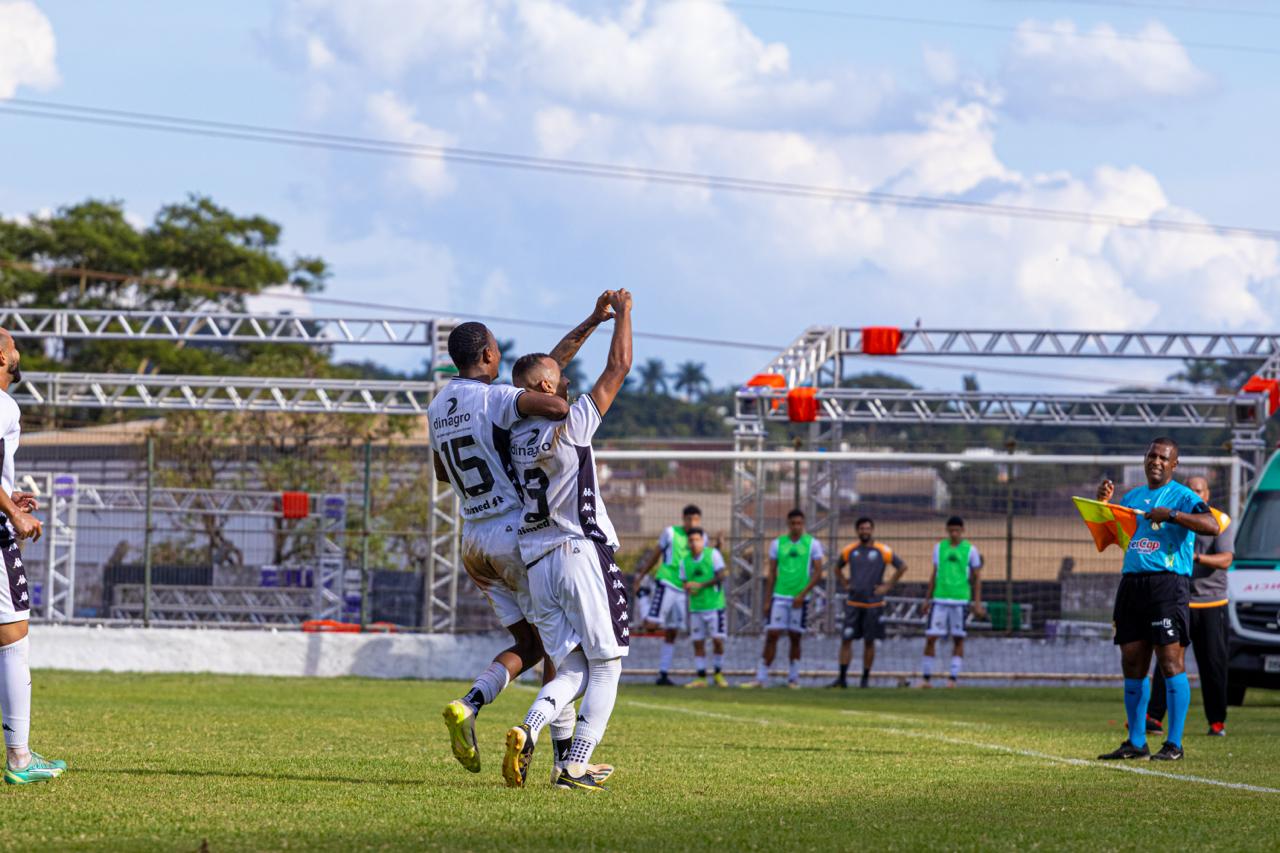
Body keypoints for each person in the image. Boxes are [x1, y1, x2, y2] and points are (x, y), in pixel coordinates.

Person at [434, 295, 614, 776]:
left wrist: (592, 321)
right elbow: (550, 398)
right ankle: (560, 758)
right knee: (562, 649)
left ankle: (470, 703)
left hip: (473, 538)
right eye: (497, 349)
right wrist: (552, 401)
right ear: (488, 355)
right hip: (515, 532)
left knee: (529, 645)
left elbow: (441, 471)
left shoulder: (436, 408)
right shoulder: (495, 398)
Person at [502, 289, 633, 792]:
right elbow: (618, 368)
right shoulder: (573, 423)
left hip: (538, 562)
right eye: (559, 380)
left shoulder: (512, 430)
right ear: (545, 386)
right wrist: (623, 314)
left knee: (571, 665)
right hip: (579, 551)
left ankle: (529, 727)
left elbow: (546, 366)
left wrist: (592, 319)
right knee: (607, 665)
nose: (566, 380)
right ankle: (576, 764)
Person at [1096, 438, 1221, 763]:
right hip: (1132, 584)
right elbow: (1115, 536)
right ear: (1145, 459)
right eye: (1152, 455)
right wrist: (1103, 505)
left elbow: (1212, 525)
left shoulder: (1184, 496)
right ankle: (1136, 742)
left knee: (1170, 661)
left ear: (1174, 464)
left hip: (1167, 585)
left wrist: (1173, 515)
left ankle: (1174, 744)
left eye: (1164, 458)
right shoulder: (1132, 497)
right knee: (1132, 660)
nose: (1156, 461)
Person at [0, 328, 65, 785]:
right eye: (10, 341)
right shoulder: (3, 406)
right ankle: (20, 759)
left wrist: (9, 497)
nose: (15, 346)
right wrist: (13, 513)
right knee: (13, 636)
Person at [1146, 476, 1234, 738]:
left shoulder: (1219, 520)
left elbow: (1226, 560)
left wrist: (1196, 557)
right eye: (1189, 490)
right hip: (1178, 601)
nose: (1194, 494)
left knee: (1213, 665)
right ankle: (1153, 718)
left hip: (1211, 603)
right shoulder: (1173, 518)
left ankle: (1216, 721)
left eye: (1198, 490)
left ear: (1206, 495)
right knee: (1167, 659)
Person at [741, 509, 824, 689]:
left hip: (799, 599)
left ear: (803, 524)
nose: (796, 526)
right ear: (788, 524)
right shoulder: (777, 544)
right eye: (793, 523)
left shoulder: (813, 544)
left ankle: (793, 679)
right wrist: (767, 599)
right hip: (780, 596)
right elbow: (772, 572)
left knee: (795, 637)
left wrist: (802, 594)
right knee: (772, 635)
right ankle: (761, 678)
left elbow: (818, 572)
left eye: (799, 523)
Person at [831, 518, 906, 689]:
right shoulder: (850, 550)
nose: (865, 531)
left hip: (873, 604)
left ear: (872, 530)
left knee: (869, 641)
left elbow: (902, 567)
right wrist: (844, 583)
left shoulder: (883, 550)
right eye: (861, 528)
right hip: (853, 603)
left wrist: (887, 586)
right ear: (857, 531)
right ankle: (842, 678)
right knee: (846, 640)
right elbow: (836, 567)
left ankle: (864, 680)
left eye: (867, 528)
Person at [632, 505, 704, 685]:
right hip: (667, 583)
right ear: (683, 519)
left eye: (696, 519)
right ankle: (642, 596)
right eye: (689, 519)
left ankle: (663, 674)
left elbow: (701, 560)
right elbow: (656, 555)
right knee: (651, 626)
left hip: (682, 589)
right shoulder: (670, 533)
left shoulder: (701, 537)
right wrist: (641, 576)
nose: (692, 523)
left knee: (672, 631)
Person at [920, 517, 984, 688]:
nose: (954, 533)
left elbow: (978, 577)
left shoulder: (970, 550)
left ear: (963, 530)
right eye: (951, 530)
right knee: (931, 637)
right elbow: (934, 573)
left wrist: (977, 602)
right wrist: (927, 599)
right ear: (947, 530)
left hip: (960, 600)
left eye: (957, 530)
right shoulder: (939, 547)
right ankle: (926, 679)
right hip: (940, 598)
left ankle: (953, 679)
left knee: (958, 638)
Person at [679, 528, 729, 689]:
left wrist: (700, 585)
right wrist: (688, 587)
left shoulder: (713, 554)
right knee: (698, 642)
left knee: (717, 640)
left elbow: (721, 576)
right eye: (691, 540)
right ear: (688, 543)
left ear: (703, 540)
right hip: (696, 608)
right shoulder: (684, 561)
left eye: (697, 539)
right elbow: (684, 582)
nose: (694, 543)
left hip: (715, 606)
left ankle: (718, 673)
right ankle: (701, 677)